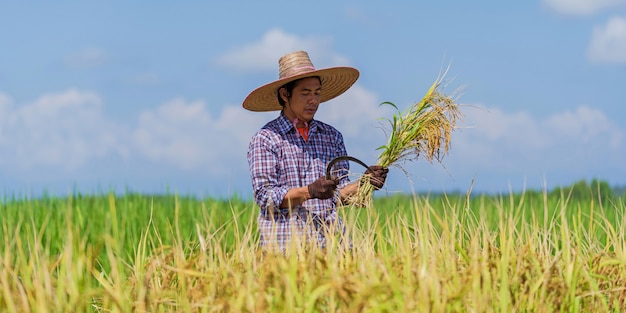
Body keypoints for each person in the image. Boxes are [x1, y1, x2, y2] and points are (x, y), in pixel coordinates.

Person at [244, 50, 389, 251]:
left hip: (331, 247)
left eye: (317, 93)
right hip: (284, 250)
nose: (313, 100)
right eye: (305, 93)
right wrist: (309, 192)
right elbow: (264, 196)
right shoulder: (266, 138)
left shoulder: (332, 136)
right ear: (285, 94)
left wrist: (365, 185)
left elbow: (337, 195)